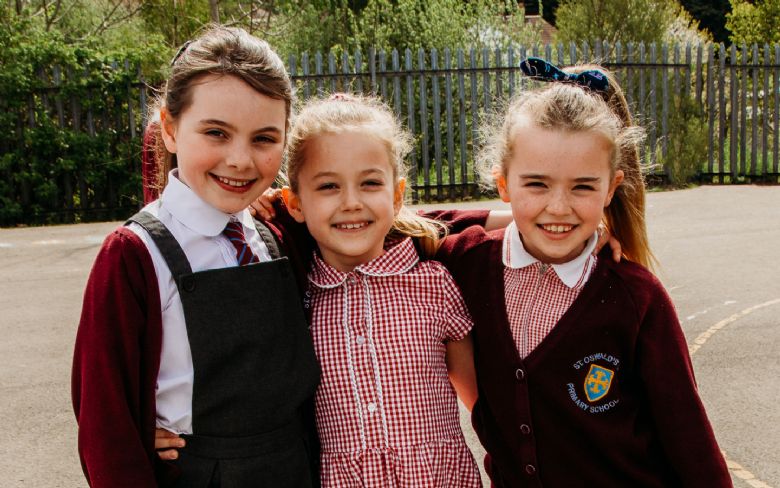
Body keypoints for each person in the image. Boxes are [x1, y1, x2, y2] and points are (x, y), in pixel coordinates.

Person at [436, 58, 732, 487]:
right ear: (503, 184)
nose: (559, 207)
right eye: (536, 184)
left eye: (583, 187)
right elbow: (393, 225)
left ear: (611, 188)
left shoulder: (635, 296)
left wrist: (531, 208)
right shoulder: (469, 262)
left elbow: (689, 440)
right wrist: (508, 218)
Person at [71, 26, 321, 488]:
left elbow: (376, 220)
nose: (240, 160)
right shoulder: (133, 255)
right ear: (169, 128)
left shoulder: (277, 232)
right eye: (216, 133)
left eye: (264, 139)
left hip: (292, 468)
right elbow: (106, 423)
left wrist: (490, 219)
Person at [277, 93, 483, 486]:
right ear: (295, 203)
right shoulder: (298, 300)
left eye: (370, 183)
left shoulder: (434, 285)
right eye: (328, 187)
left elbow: (479, 406)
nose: (351, 202)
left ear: (397, 194)